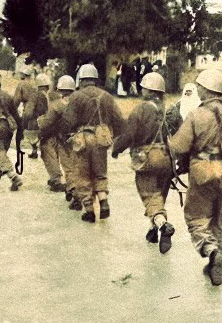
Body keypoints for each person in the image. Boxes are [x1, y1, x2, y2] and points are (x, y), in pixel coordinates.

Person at [168, 69, 222, 286]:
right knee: (219, 220)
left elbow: (179, 146)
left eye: (200, 89)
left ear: (206, 90)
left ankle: (210, 249)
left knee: (196, 218)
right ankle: (217, 261)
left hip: (203, 170)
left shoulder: (197, 114)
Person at [112, 72, 181, 254]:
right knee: (159, 196)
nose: (141, 90)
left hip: (147, 158)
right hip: (166, 158)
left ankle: (163, 225)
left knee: (150, 196)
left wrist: (116, 149)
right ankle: (153, 230)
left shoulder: (141, 109)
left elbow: (129, 134)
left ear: (149, 89)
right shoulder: (168, 109)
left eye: (144, 87)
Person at [62, 63, 125, 223]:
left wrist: (66, 136)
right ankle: (103, 200)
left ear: (81, 80)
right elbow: (119, 121)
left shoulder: (76, 97)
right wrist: (110, 136)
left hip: (82, 139)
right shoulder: (106, 96)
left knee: (83, 175)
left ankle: (89, 209)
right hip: (100, 139)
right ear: (96, 80)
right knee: (100, 172)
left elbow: (68, 121)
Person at [38, 75, 80, 208]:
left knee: (68, 167)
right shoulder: (81, 102)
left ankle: (75, 193)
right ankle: (74, 189)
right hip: (81, 138)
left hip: (65, 139)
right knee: (79, 166)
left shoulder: (56, 105)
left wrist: (38, 125)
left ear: (59, 89)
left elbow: (47, 123)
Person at [13, 66, 38, 158]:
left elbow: (17, 99)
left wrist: (13, 109)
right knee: (33, 129)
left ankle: (18, 150)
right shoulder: (35, 84)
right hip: (37, 110)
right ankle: (34, 150)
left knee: (20, 129)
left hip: (28, 109)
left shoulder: (21, 84)